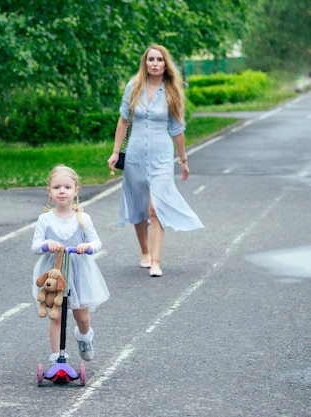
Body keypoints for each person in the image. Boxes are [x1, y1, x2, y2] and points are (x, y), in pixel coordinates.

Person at [107, 45, 204, 278]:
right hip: (135, 157)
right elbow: (123, 122)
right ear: (145, 62)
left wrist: (183, 160)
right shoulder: (133, 87)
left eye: (159, 59)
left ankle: (156, 262)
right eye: (151, 59)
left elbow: (178, 130)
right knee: (138, 207)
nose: (155, 63)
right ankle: (145, 252)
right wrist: (115, 152)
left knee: (155, 207)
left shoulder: (172, 91)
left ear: (165, 64)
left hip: (161, 158)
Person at [31, 164, 110, 363]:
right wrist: (46, 244)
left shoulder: (83, 218)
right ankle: (58, 357)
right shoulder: (45, 219)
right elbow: (35, 246)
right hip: (54, 272)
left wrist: (88, 247)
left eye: (67, 187)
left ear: (76, 190)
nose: (62, 191)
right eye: (57, 187)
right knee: (55, 314)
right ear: (50, 192)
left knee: (81, 316)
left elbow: (96, 241)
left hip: (78, 271)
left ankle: (84, 336)